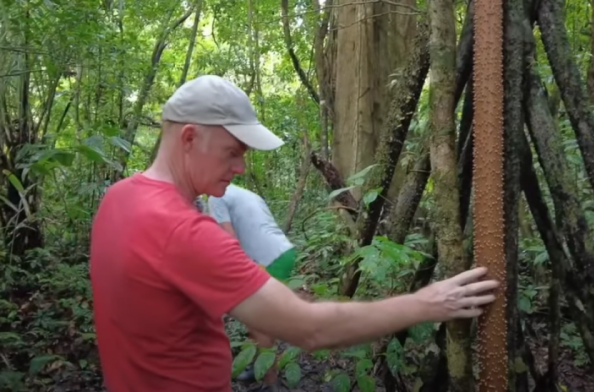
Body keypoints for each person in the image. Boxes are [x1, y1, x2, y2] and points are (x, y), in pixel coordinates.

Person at [89, 74, 499, 392]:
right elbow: (310, 329)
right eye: (233, 152)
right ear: (190, 137)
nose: (241, 168)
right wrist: (428, 303)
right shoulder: (183, 231)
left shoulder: (118, 198)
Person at [208, 184, 297, 386]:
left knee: (257, 321)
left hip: (265, 259)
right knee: (260, 317)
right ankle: (255, 365)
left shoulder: (216, 196)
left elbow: (229, 240)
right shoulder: (243, 192)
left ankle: (270, 380)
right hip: (284, 252)